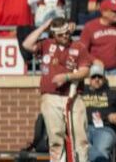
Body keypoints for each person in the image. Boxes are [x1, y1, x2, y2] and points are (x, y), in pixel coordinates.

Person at [22, 17, 92, 162]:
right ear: (53, 34)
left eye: (67, 32)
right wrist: (44, 26)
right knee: (55, 137)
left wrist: (66, 77)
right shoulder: (46, 44)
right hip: (51, 96)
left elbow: (86, 71)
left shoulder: (78, 46)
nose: (65, 36)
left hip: (73, 96)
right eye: (60, 34)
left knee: (80, 137)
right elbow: (27, 44)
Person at [81, 64, 116, 162]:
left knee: (98, 150)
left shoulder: (112, 94)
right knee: (84, 149)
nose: (97, 79)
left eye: (100, 77)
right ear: (89, 79)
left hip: (105, 129)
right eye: (94, 77)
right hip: (84, 129)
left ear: (104, 78)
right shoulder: (82, 91)